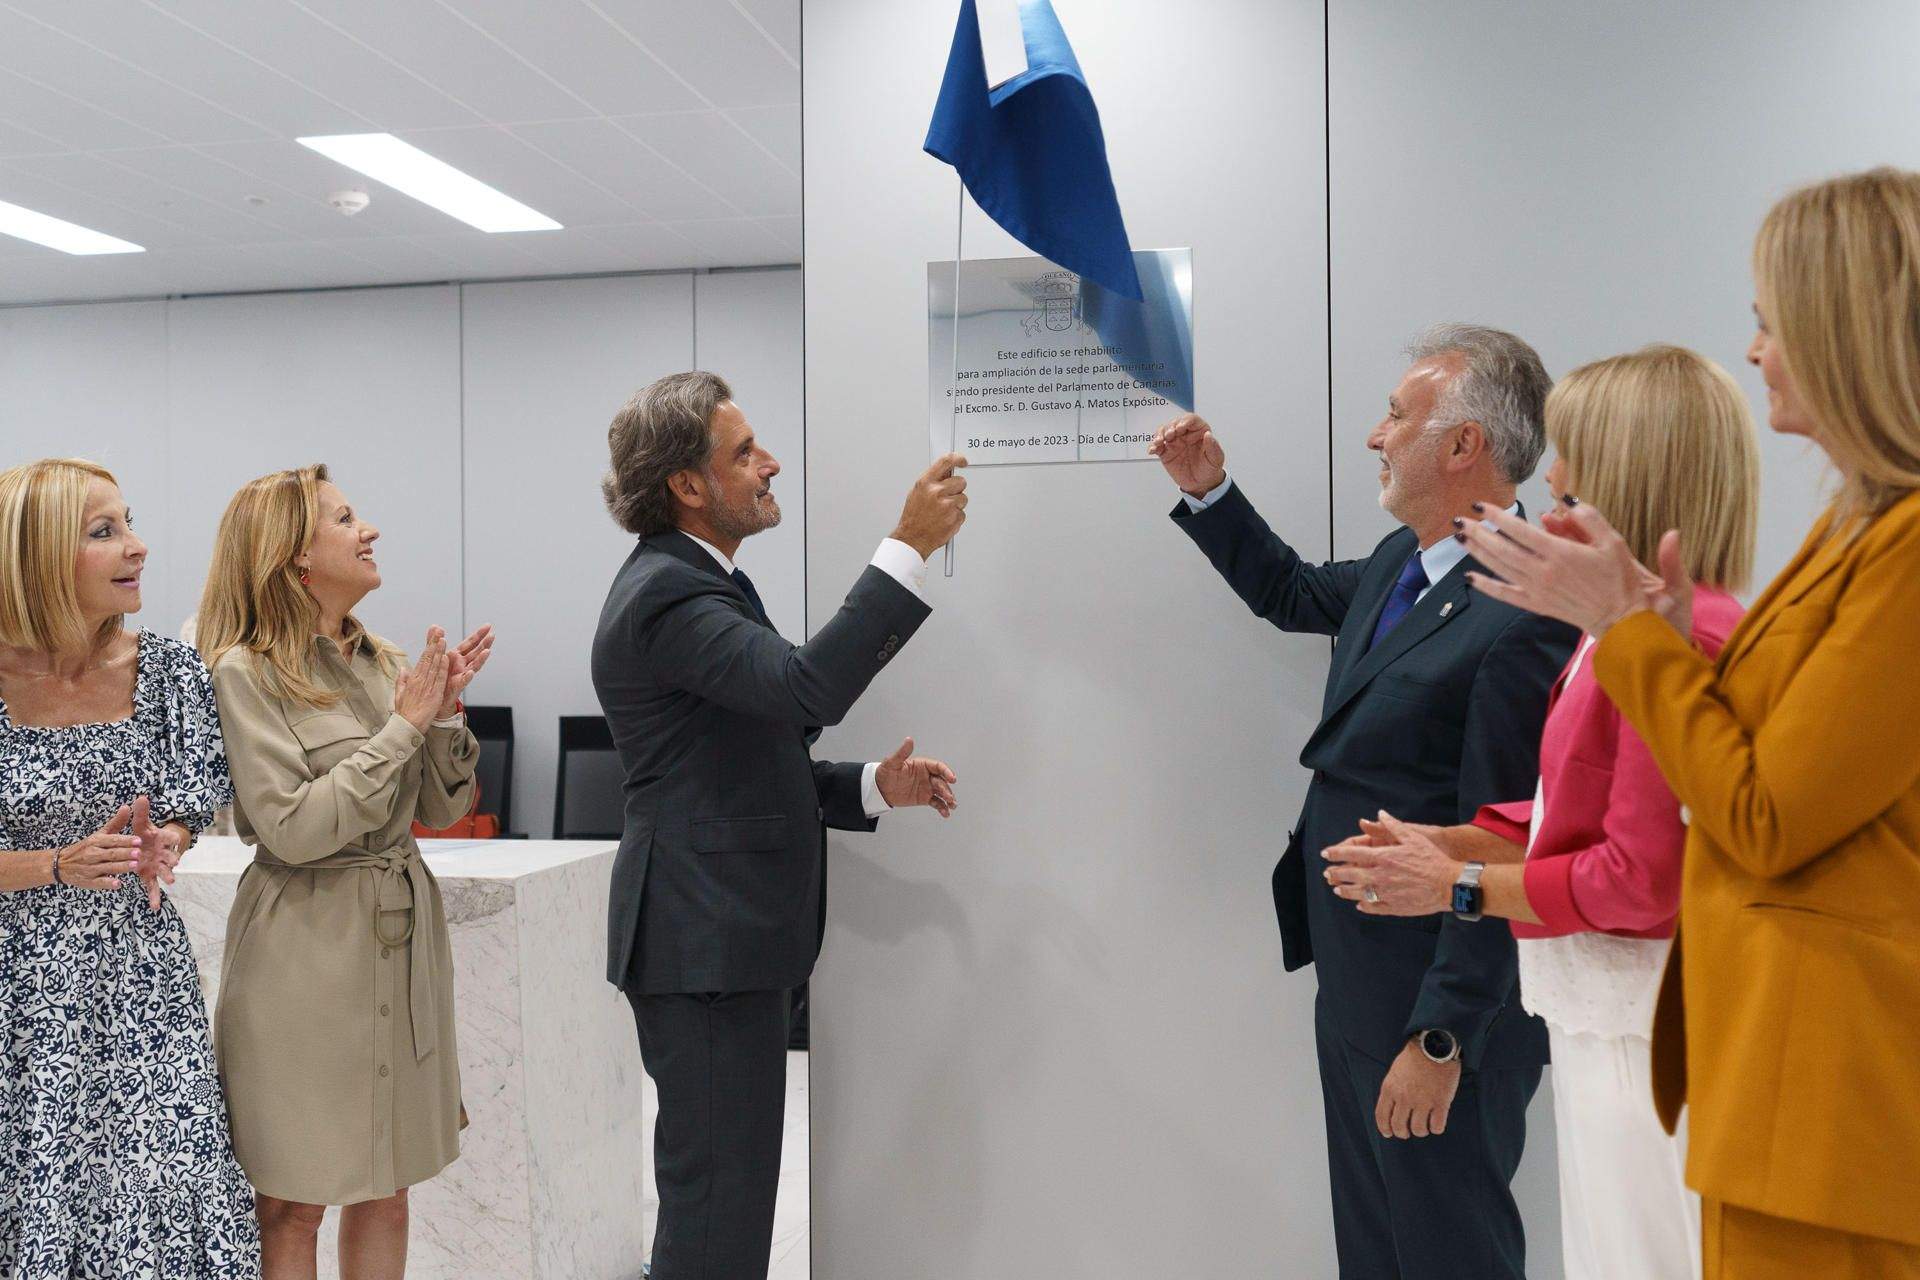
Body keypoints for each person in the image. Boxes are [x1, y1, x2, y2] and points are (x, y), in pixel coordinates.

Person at [1454, 167, 1920, 1277]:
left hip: (1828, 1078)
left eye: (1770, 321)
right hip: (1771, 1065)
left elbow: (1757, 813)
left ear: (1840, 328)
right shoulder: (1855, 532)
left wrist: (1630, 626)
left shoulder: (1902, 552)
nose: (1756, 349)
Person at [1321, 345, 1761, 1279]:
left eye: (1571, 474)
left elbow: (1640, 877)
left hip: (1650, 1022)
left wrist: (1461, 884)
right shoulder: (1620, 635)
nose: (1547, 489)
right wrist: (1452, 842)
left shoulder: (1687, 634)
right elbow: (1577, 804)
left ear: (1631, 481)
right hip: (1605, 1016)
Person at [1149, 326, 1576, 1278]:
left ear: (1465, 448)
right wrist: (1209, 489)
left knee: (1447, 1249)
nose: (1376, 436)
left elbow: (1506, 849)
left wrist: (1441, 1036)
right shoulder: (1405, 560)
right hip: (1357, 980)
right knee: (1378, 1250)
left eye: (1397, 414)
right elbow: (1292, 589)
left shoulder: (1526, 608)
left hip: (1439, 1004)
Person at [593, 371, 964, 1280]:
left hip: (716, 943)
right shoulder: (670, 596)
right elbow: (807, 688)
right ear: (687, 484)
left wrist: (873, 785)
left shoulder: (700, 583)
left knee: (719, 1215)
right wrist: (908, 546)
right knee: (716, 1227)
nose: (772, 465)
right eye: (745, 452)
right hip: (704, 946)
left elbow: (745, 757)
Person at [197, 464, 492, 1280]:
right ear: (295, 558)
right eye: (346, 518)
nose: (369, 532)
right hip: (304, 954)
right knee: (292, 1199)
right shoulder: (243, 673)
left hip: (399, 941)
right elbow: (291, 828)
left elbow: (438, 808)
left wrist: (446, 713)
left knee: (386, 1184)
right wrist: (403, 725)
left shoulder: (383, 658)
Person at [0, 457, 260, 1277]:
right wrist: (53, 865)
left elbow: (187, 806)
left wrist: (170, 840)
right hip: (18, 993)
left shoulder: (172, 673)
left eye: (130, 524)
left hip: (139, 979)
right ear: (38, 553)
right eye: (104, 532)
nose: (137, 547)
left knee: (156, 1178)